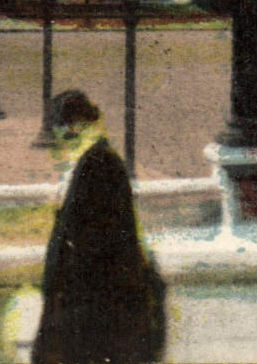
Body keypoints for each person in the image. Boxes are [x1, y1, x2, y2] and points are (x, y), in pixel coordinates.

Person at [32, 90, 164, 364]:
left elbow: (95, 243)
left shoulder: (97, 163)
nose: (59, 137)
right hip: (97, 308)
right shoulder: (96, 160)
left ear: (74, 124)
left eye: (61, 126)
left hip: (94, 311)